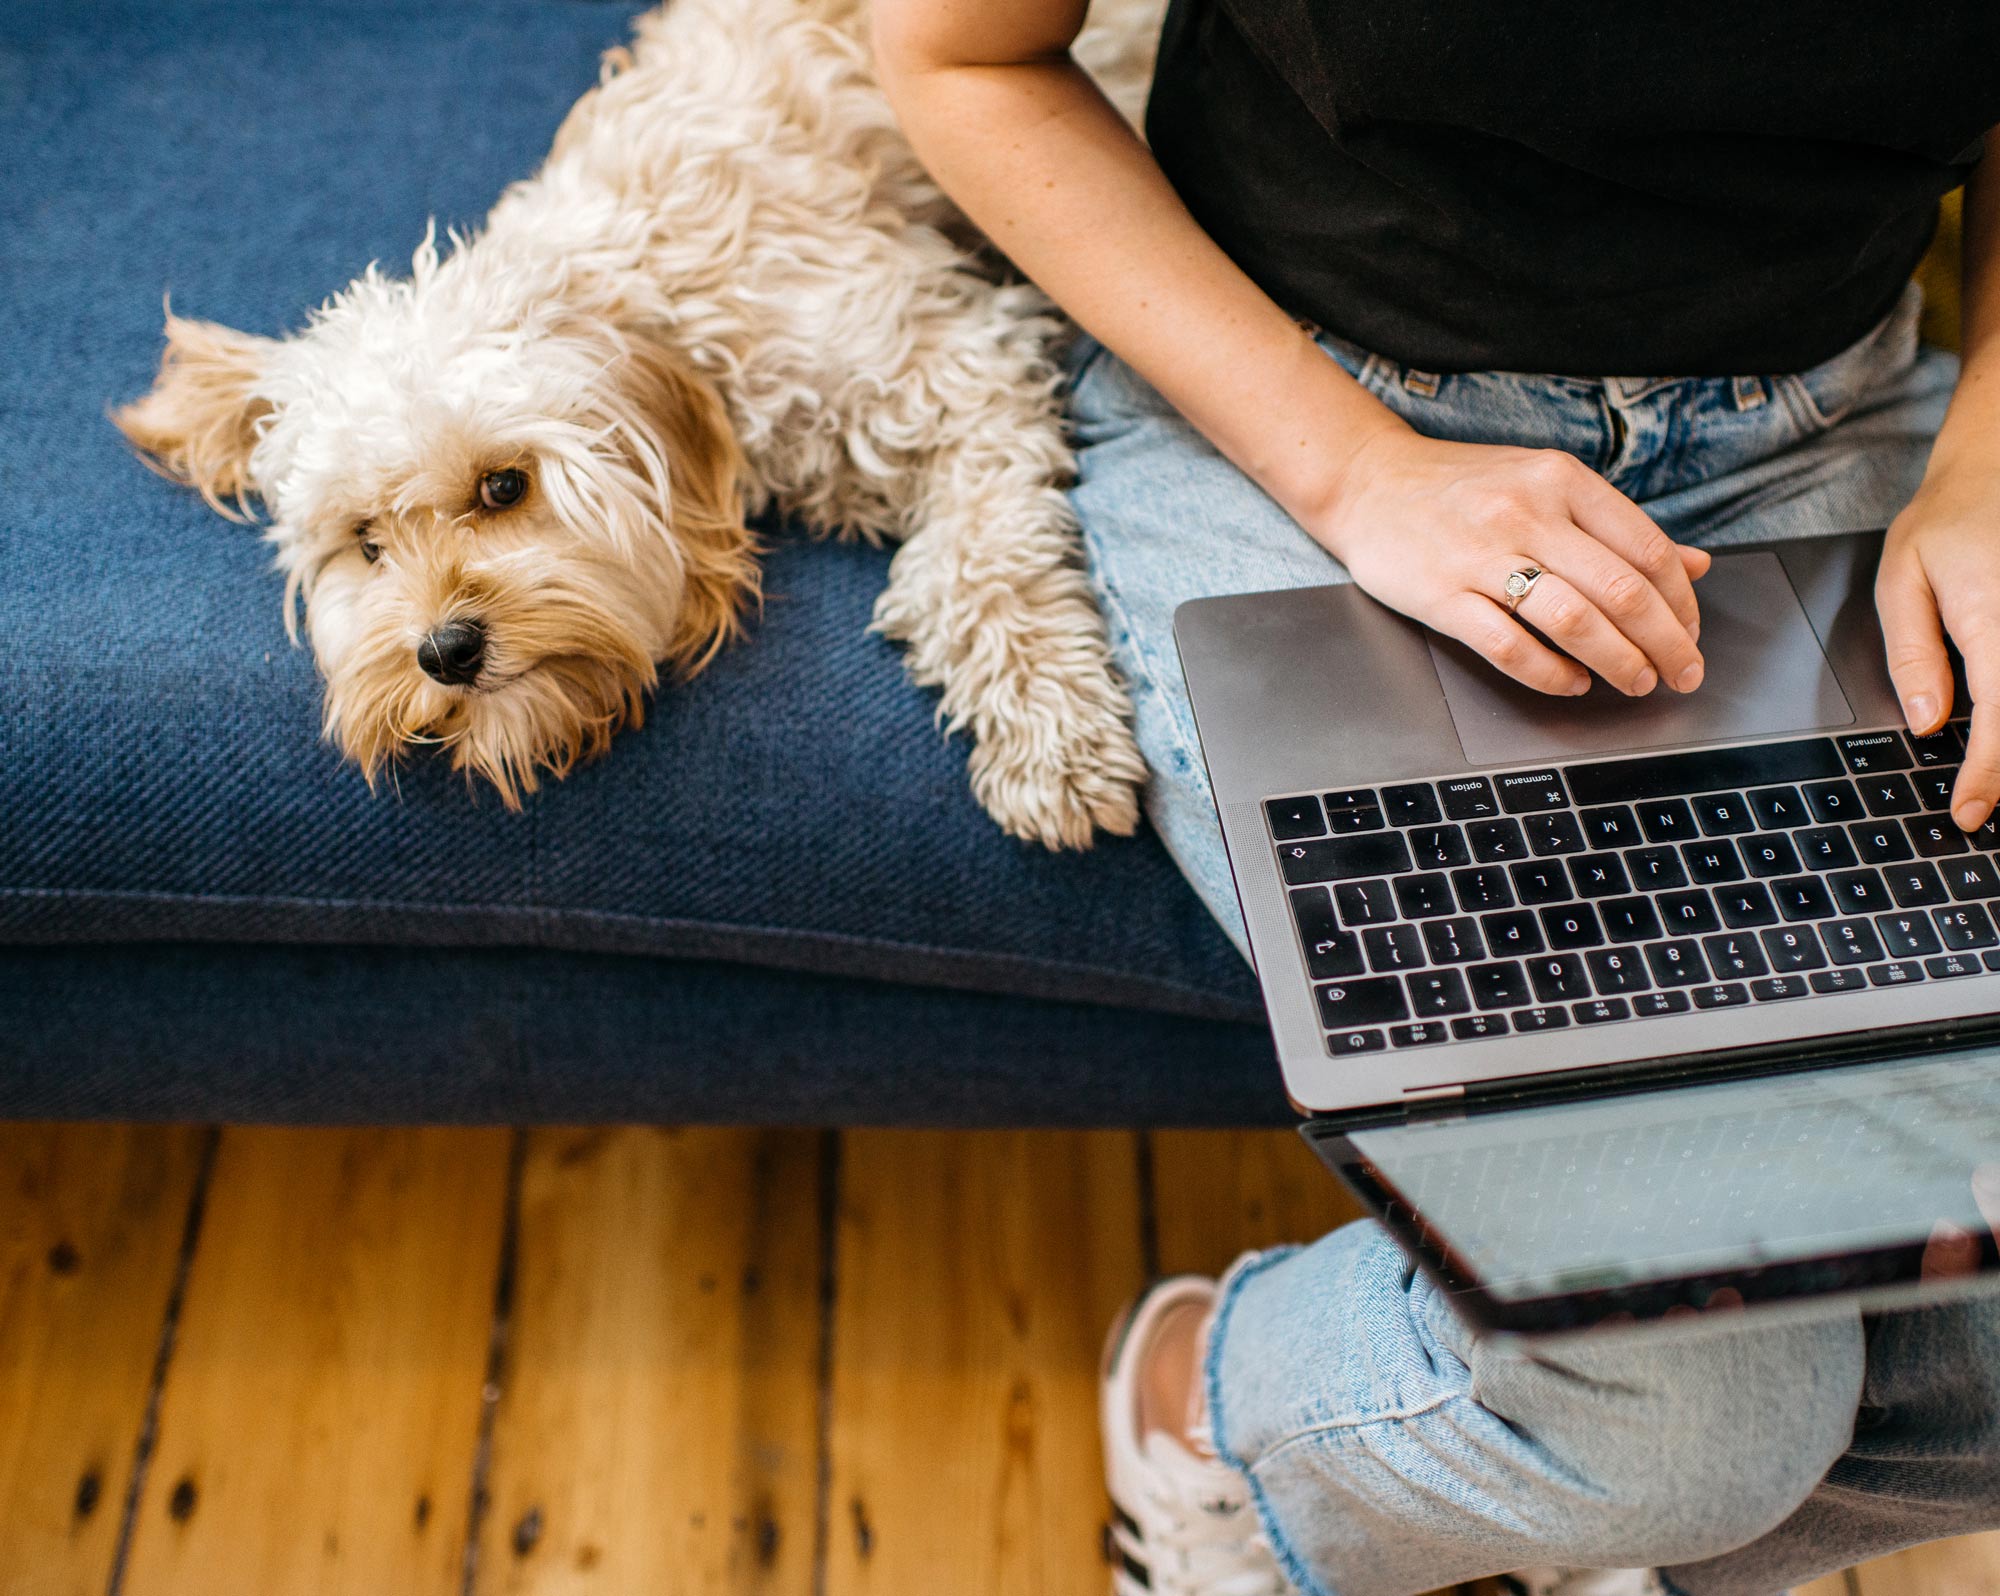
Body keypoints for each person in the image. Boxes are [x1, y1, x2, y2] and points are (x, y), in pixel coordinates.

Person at [873, 3, 2000, 1593]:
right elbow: (959, 55)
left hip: (1826, 427)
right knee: (1686, 1423)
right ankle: (1214, 1408)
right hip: (1305, 424)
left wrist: (1990, 461)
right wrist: (1358, 474)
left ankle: (1549, 1512)